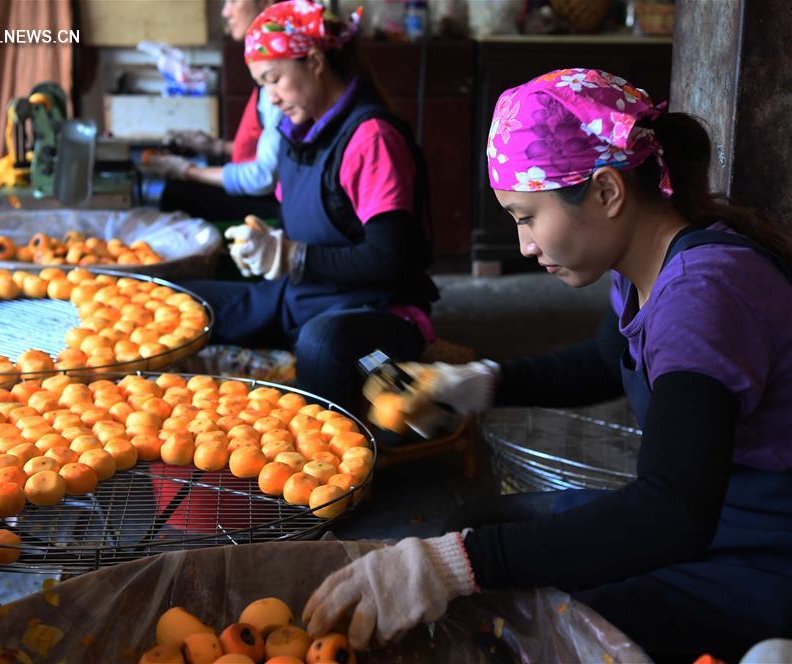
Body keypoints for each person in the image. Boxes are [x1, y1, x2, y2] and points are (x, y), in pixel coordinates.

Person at [303, 68, 792, 662]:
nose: (525, 246)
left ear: (608, 191)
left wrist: (458, 564)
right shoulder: (649, 269)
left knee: (526, 630)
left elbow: (671, 512)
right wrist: (479, 383)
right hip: (715, 520)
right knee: (482, 520)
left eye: (526, 217)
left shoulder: (704, 295)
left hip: (760, 552)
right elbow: (604, 361)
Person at [183, 0, 438, 411]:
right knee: (185, 305)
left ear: (315, 61)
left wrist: (294, 257)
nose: (272, 99)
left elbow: (388, 259)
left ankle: (337, 451)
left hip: (376, 315)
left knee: (323, 345)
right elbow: (309, 221)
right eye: (262, 85)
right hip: (302, 298)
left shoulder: (371, 139)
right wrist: (266, 245)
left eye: (275, 80)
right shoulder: (293, 135)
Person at [146, 0, 282, 221]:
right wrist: (216, 146)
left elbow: (263, 177)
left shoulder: (279, 82)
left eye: (234, 1)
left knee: (177, 194)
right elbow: (273, 146)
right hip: (267, 185)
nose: (226, 11)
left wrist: (188, 171)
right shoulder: (267, 68)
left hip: (276, 202)